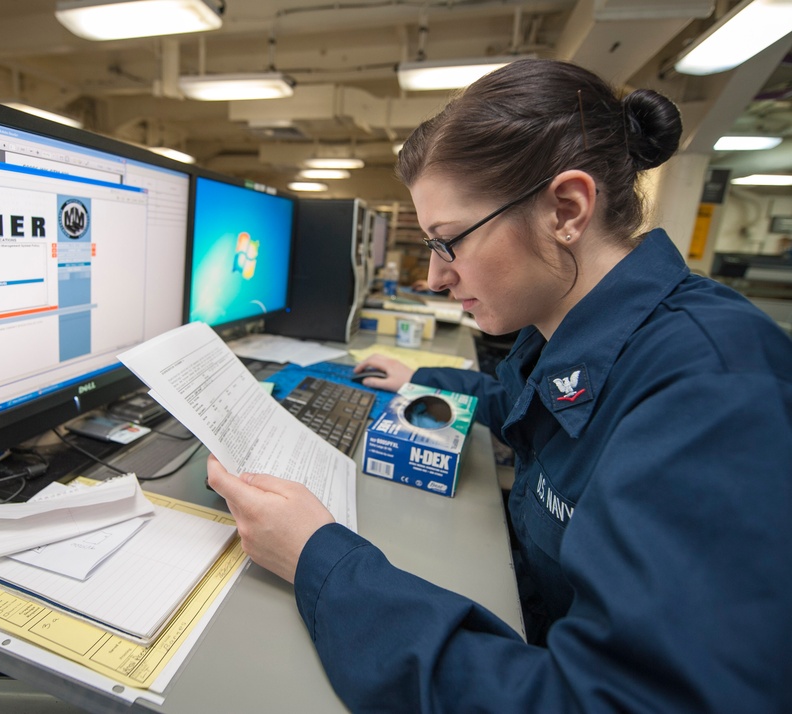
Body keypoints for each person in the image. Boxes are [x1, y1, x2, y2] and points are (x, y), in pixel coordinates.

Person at [207, 58, 792, 712]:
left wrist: (321, 560)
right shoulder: (564, 328)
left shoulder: (714, 393)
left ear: (566, 209)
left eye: (449, 241)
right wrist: (420, 376)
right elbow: (525, 405)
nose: (433, 276)